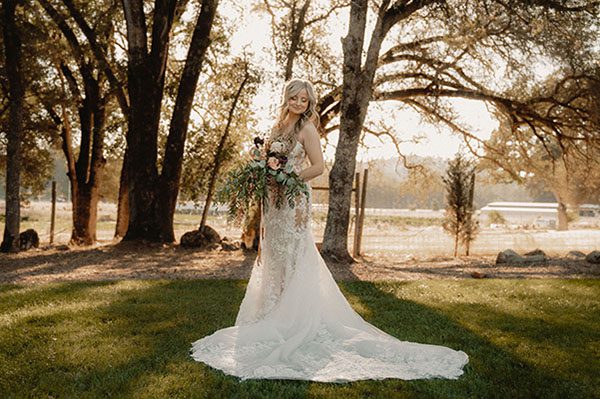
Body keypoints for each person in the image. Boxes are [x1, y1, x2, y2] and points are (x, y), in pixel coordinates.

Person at [190, 78, 469, 382]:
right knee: (275, 259)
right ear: (286, 99)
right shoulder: (276, 130)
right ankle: (273, 316)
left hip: (294, 201)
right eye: (294, 98)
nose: (299, 104)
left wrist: (288, 175)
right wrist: (266, 202)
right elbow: (265, 172)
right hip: (273, 203)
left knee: (294, 257)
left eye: (305, 100)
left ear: (309, 104)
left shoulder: (307, 129)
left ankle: (293, 319)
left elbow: (319, 166)